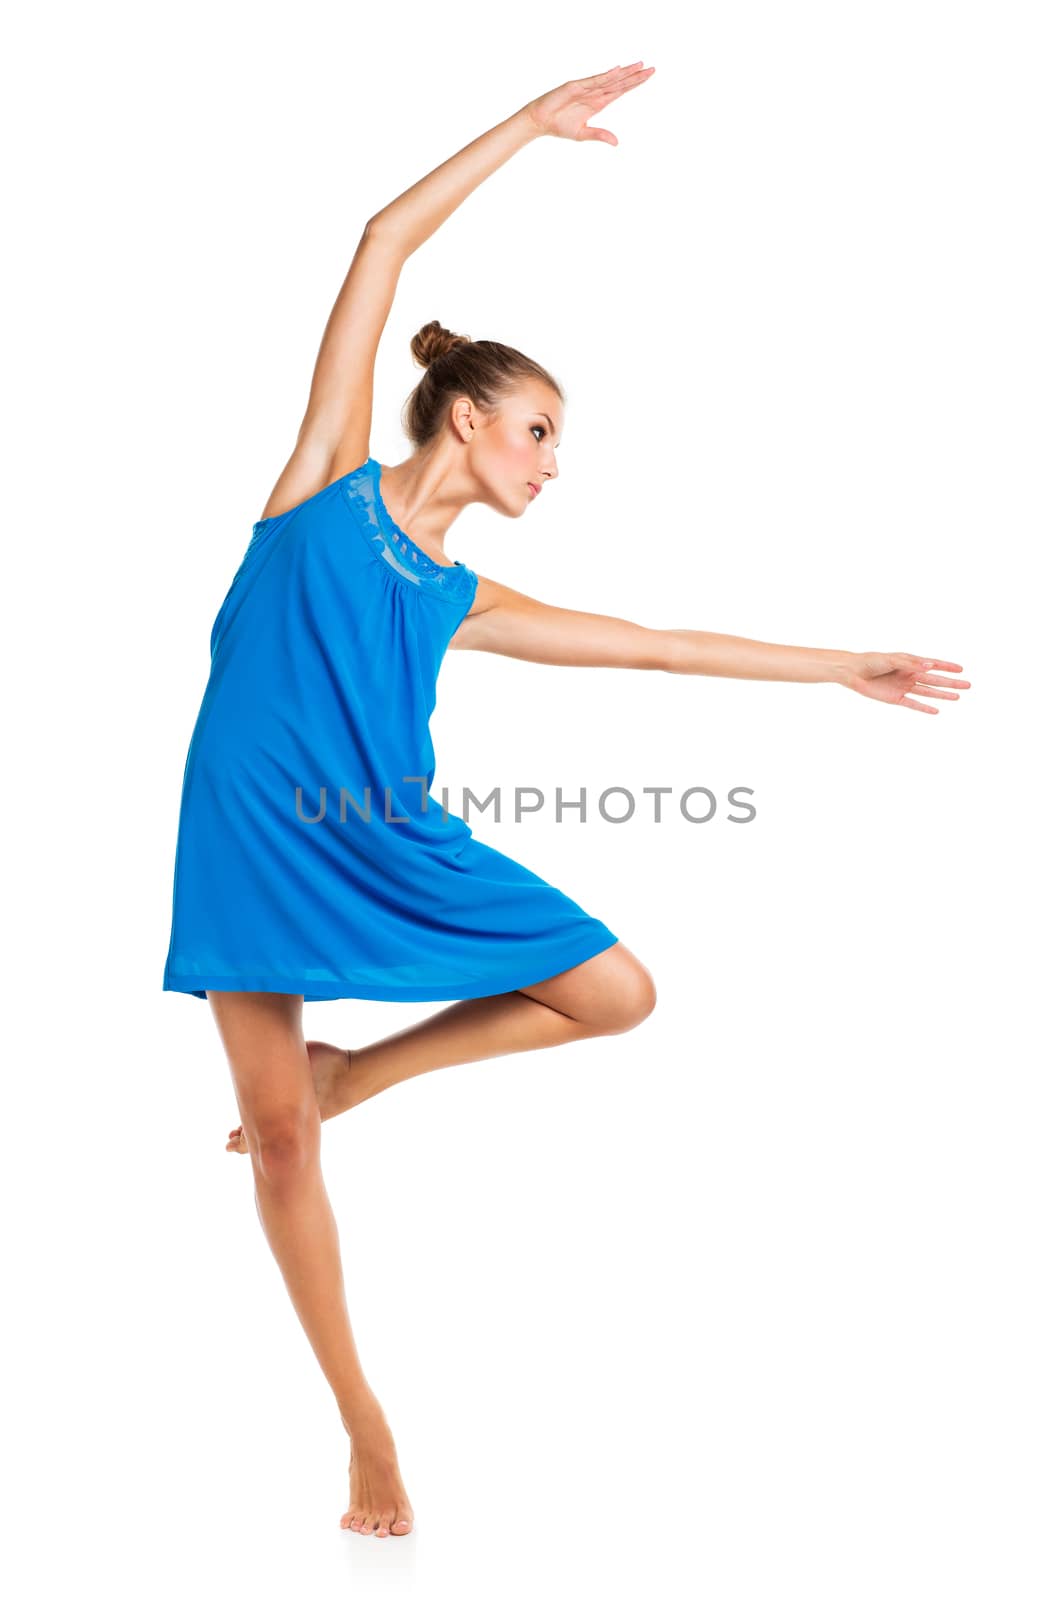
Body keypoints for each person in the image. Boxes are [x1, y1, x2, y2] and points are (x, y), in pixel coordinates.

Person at [162, 63, 970, 1540]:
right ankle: (368, 1432)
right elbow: (381, 246)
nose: (552, 462)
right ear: (465, 417)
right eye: (538, 431)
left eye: (558, 444)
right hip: (248, 836)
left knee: (615, 990)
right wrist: (527, 132)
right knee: (275, 1147)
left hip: (385, 836)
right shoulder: (318, 491)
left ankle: (361, 1076)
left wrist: (841, 663)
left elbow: (658, 648)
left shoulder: (463, 596)